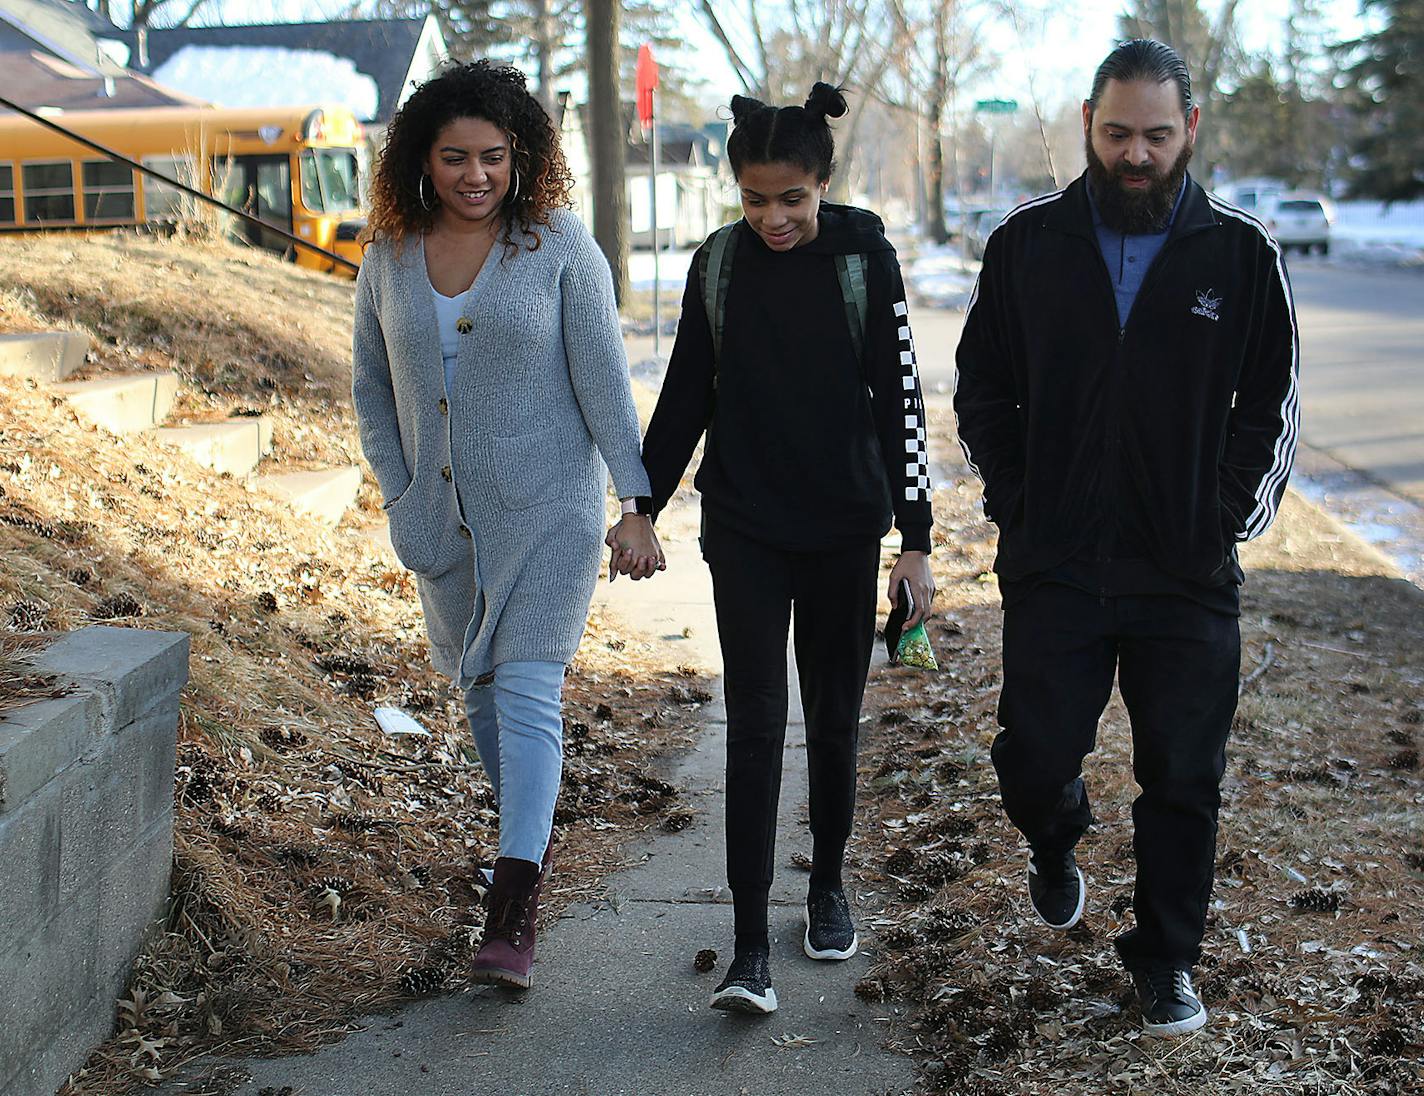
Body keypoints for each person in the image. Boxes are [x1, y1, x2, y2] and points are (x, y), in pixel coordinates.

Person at [954, 39, 1299, 1036]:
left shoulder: (1237, 254)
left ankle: (1166, 960)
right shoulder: (1024, 245)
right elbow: (980, 387)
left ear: (1189, 128)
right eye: (1116, 134)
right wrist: (1019, 499)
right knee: (1031, 755)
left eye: (1155, 134)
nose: (1134, 155)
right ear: (1085, 126)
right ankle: (1053, 832)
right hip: (1055, 562)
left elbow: (1269, 403)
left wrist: (1219, 517)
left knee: (1181, 776)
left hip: (1182, 573)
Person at [351, 60, 663, 991]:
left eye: (493, 157)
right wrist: (400, 486)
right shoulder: (389, 253)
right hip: (440, 526)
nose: (475, 175)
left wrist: (634, 502)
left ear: (522, 158)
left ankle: (514, 901)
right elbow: (371, 385)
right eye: (455, 158)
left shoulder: (560, 246)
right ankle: (519, 849)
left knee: (525, 688)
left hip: (548, 516)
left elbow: (604, 381)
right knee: (479, 694)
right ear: (422, 159)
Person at [636, 82, 936, 1015]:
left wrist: (916, 541)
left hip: (846, 527)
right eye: (755, 200)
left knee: (836, 720)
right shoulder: (717, 266)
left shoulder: (864, 263)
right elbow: (688, 391)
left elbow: (903, 403)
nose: (774, 218)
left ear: (823, 183)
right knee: (757, 726)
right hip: (748, 530)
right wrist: (641, 504)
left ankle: (829, 888)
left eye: (793, 200)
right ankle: (748, 946)